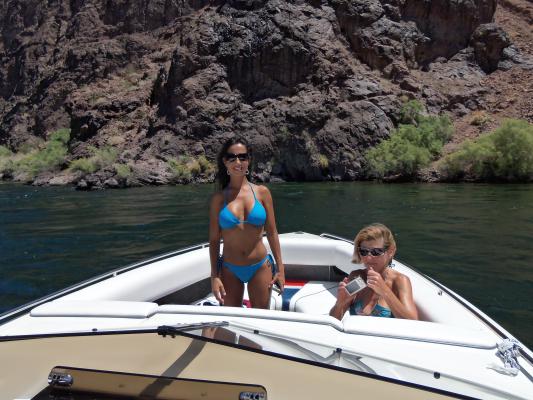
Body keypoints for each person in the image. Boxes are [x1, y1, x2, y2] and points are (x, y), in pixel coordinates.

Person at [208, 136, 285, 308]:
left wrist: (280, 269)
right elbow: (214, 240)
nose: (238, 162)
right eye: (232, 157)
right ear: (225, 161)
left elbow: (272, 232)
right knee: (231, 320)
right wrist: (214, 276)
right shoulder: (218, 199)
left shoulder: (262, 193)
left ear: (248, 160)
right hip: (229, 268)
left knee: (260, 319)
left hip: (260, 266)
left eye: (242, 157)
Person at [330, 223, 418, 321]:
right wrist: (340, 303)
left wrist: (385, 291)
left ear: (391, 252)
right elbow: (334, 320)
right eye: (363, 251)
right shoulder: (358, 278)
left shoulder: (399, 281)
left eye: (376, 252)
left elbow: (413, 322)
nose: (368, 258)